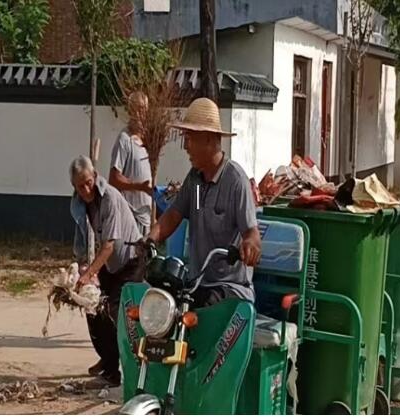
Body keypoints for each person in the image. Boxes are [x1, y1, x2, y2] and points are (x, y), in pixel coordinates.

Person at [147, 98, 262, 307]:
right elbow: (175, 214)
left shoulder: (236, 181)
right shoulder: (197, 180)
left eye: (189, 138)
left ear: (209, 139)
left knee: (200, 308)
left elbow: (251, 231)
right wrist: (151, 239)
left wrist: (251, 245)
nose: (185, 147)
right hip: (198, 282)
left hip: (230, 288)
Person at [69, 155, 143, 386]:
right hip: (110, 264)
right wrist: (82, 267)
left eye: (88, 182)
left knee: (112, 312)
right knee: (92, 309)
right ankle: (107, 359)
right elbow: (82, 240)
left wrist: (90, 273)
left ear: (95, 177)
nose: (86, 188)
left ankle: (116, 372)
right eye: (80, 186)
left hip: (131, 261)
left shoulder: (109, 197)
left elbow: (109, 245)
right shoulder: (79, 204)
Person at [109, 91, 153, 236]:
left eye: (144, 110)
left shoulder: (148, 142)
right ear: (130, 111)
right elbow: (114, 178)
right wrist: (138, 187)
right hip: (130, 214)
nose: (141, 115)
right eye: (138, 109)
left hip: (146, 215)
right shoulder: (124, 140)